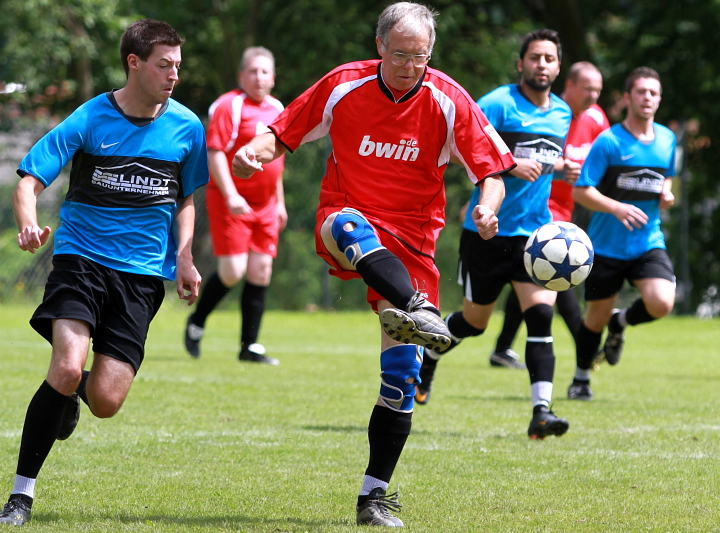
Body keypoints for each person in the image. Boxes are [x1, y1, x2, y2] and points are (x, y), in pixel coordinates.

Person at [232, 3, 513, 526]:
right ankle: (416, 307)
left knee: (401, 379)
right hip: (348, 218)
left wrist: (487, 208)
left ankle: (373, 496)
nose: (410, 66)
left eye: (420, 56)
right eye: (400, 54)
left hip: (414, 244)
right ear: (380, 45)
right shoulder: (344, 84)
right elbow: (283, 132)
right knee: (347, 225)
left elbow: (491, 172)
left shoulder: (449, 98)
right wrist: (254, 152)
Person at [0, 20, 208, 526]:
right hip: (81, 261)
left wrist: (184, 256)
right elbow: (28, 182)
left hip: (140, 277)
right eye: (164, 65)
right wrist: (28, 225)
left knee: (106, 401)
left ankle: (69, 393)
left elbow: (186, 199)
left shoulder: (187, 127)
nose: (174, 75)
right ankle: (20, 497)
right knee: (66, 367)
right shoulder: (91, 117)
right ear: (134, 63)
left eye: (178, 65)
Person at [415, 29, 580, 440]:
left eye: (549, 58)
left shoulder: (562, 113)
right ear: (521, 63)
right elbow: (456, 148)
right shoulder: (497, 103)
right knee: (475, 323)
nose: (542, 65)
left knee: (541, 316)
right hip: (486, 233)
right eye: (535, 57)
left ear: (558, 67)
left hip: (536, 238)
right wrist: (507, 164)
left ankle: (541, 413)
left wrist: (562, 167)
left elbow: (543, 158)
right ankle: (429, 353)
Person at [488, 62, 609, 372]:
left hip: (568, 208)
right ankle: (585, 344)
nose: (593, 96)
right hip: (540, 207)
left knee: (535, 276)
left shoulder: (596, 118)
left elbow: (605, 159)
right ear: (569, 86)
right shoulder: (552, 115)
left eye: (598, 90)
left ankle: (502, 348)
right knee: (559, 272)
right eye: (587, 89)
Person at [567, 67, 676, 400]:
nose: (647, 98)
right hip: (606, 245)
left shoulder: (667, 140)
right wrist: (617, 208)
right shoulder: (610, 141)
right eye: (641, 92)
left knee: (662, 302)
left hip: (647, 242)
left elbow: (667, 176)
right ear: (628, 98)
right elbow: (581, 191)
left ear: (659, 99)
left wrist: (667, 193)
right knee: (595, 318)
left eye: (653, 93)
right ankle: (581, 378)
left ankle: (621, 322)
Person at [184, 47, 286, 365]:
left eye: (265, 72)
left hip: (267, 204)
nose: (259, 77)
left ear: (273, 78)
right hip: (232, 200)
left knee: (261, 270)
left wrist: (280, 203)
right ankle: (197, 321)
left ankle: (249, 347)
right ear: (241, 76)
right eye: (252, 71)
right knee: (233, 271)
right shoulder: (229, 105)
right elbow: (215, 151)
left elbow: (276, 160)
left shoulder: (277, 108)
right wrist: (231, 195)